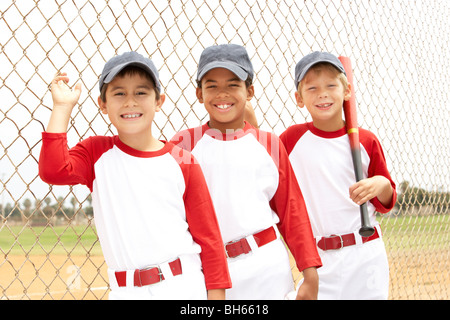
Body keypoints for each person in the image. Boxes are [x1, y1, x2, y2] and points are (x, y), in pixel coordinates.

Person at [38, 51, 231, 300]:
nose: (130, 101)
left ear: (158, 101)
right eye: (119, 93)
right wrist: (62, 108)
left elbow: (209, 237)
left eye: (141, 92)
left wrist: (216, 298)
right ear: (103, 103)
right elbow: (53, 170)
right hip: (125, 291)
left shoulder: (182, 160)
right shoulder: (97, 152)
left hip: (182, 285)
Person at [170, 44, 322, 300]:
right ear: (199, 93)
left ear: (249, 91)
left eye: (233, 84)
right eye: (212, 86)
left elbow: (291, 210)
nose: (222, 94)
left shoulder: (269, 143)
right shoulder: (184, 145)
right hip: (211, 271)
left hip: (266, 266)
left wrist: (310, 272)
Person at [280, 51, 397, 299]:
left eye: (331, 85)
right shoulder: (291, 140)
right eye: (312, 88)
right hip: (320, 260)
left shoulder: (365, 140)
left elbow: (387, 202)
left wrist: (381, 183)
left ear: (346, 92)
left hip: (366, 254)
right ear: (299, 99)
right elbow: (266, 167)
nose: (322, 93)